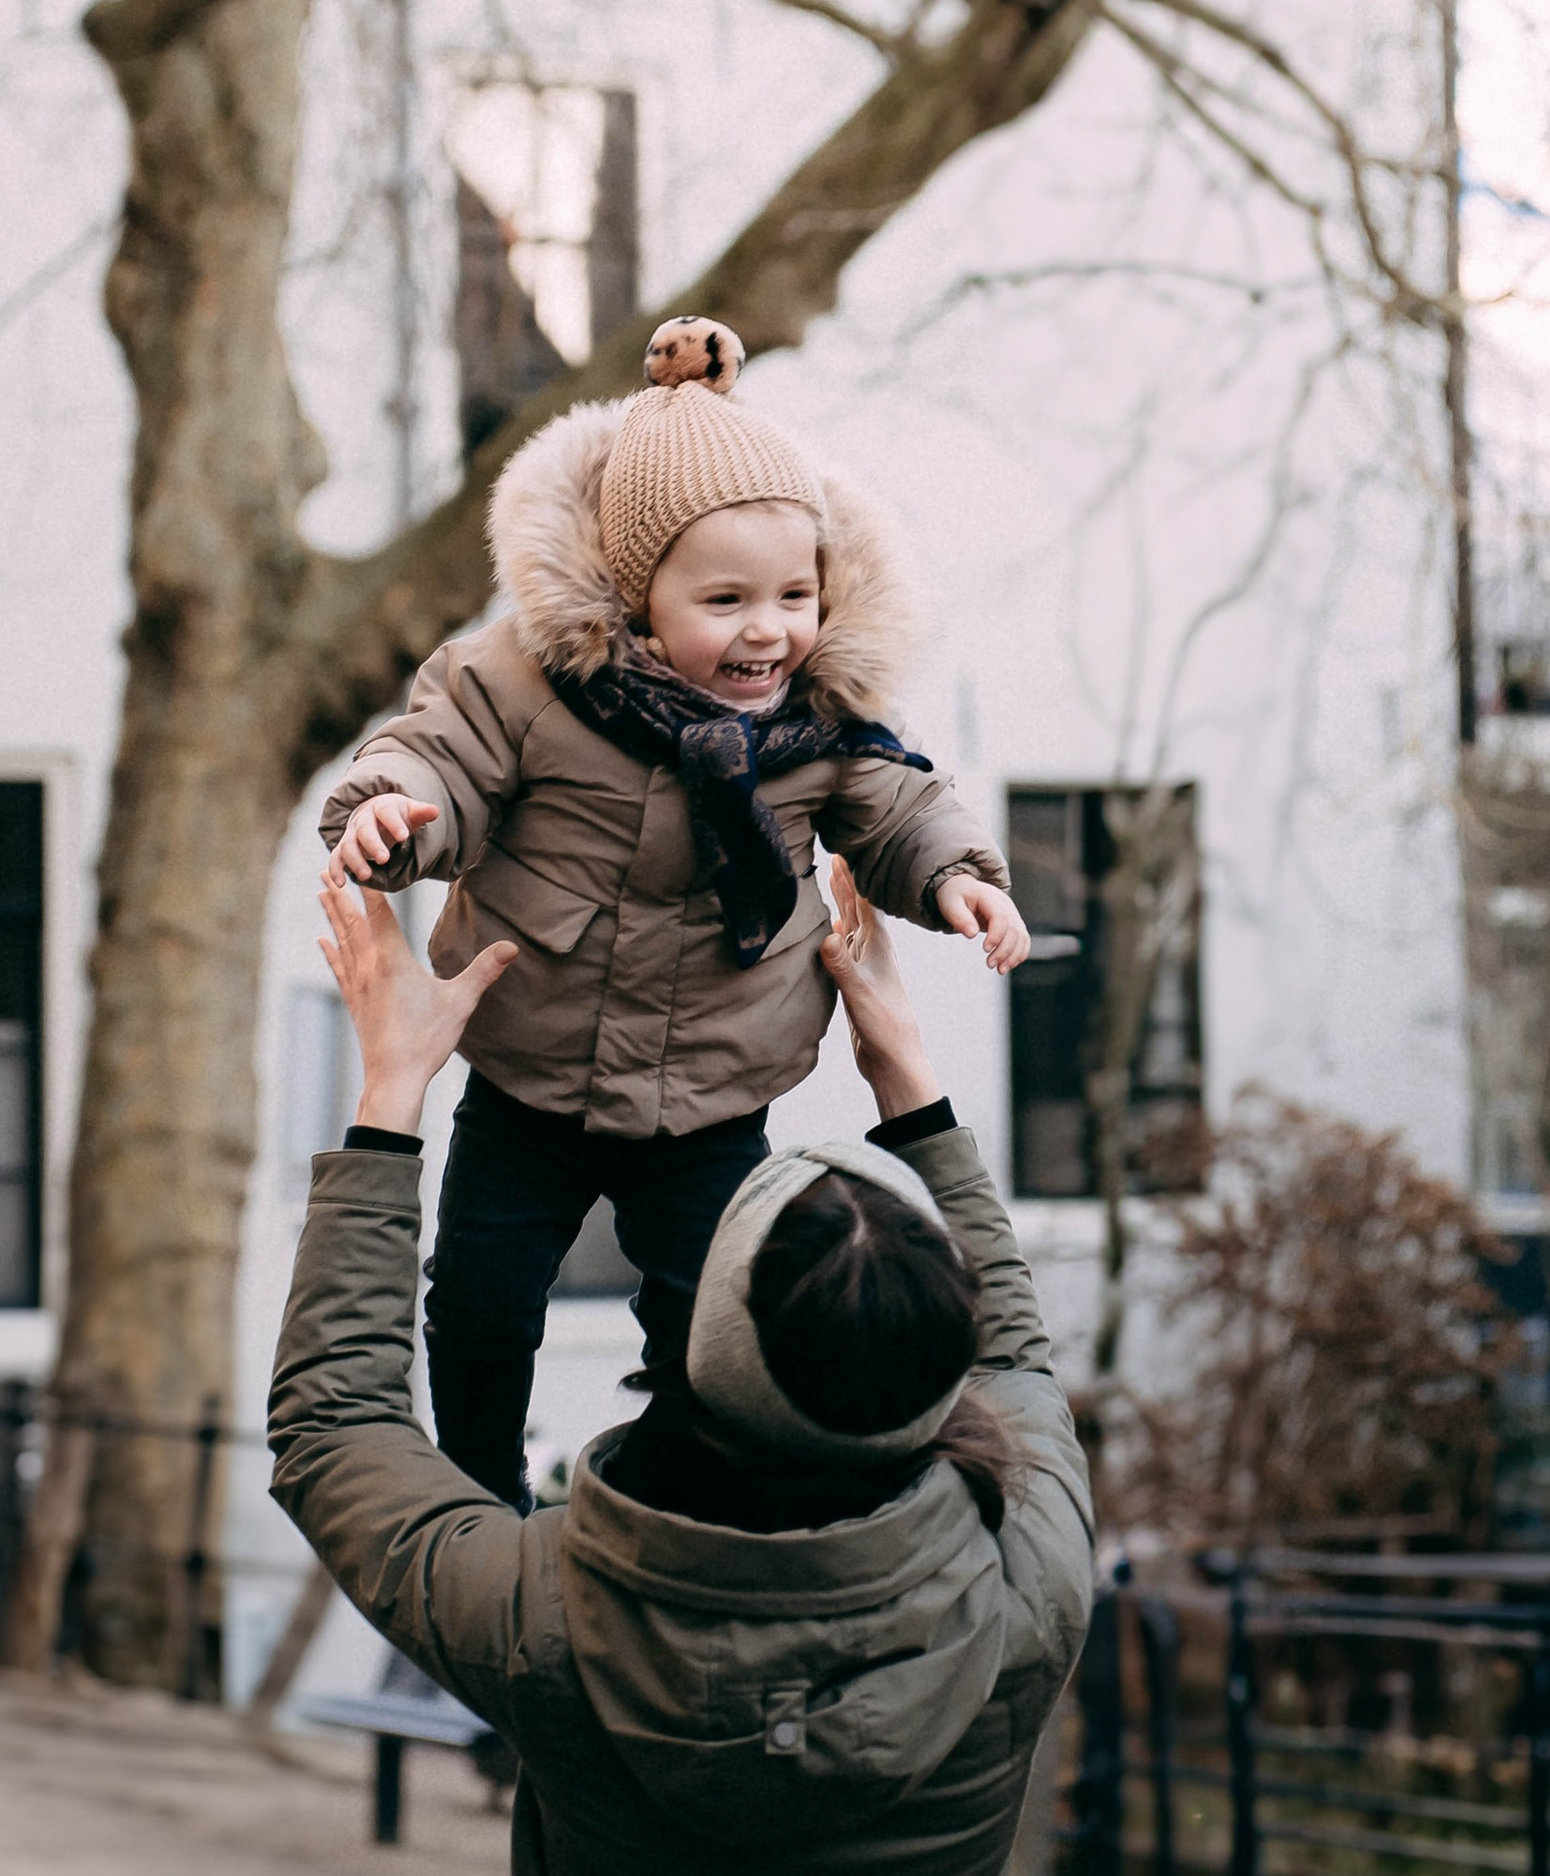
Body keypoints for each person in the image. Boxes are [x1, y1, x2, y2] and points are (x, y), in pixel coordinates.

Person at [270, 856, 1093, 1876]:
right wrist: (913, 1085)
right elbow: (1015, 1356)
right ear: (939, 1366)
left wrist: (391, 1092)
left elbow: (334, 1427)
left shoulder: (551, 1619)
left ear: (709, 1348)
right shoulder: (1031, 1577)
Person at [318, 315, 1031, 1504]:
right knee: (481, 1298)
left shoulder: (818, 720)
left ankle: (672, 1510)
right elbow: (442, 757)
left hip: (711, 1087)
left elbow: (895, 801)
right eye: (727, 599)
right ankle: (480, 1495)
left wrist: (957, 877)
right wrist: (398, 815)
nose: (769, 629)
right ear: (635, 598)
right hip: (530, 1076)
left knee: (710, 1322)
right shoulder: (525, 682)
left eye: (795, 594)